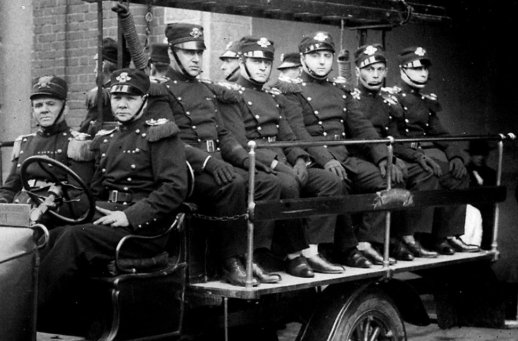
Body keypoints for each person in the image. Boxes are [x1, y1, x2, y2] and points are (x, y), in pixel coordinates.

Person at [36, 68, 188, 322]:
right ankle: (58, 319)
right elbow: (94, 191)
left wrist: (129, 216)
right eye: (117, 98)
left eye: (130, 98)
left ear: (144, 101)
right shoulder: (107, 138)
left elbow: (173, 188)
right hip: (109, 218)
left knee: (73, 238)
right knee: (51, 233)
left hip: (145, 229)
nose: (122, 104)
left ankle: (30, 316)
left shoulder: (160, 134)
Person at [154, 23, 287, 284]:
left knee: (268, 183)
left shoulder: (206, 90)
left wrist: (247, 160)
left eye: (199, 53)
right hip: (186, 168)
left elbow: (223, 134)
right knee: (232, 184)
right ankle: (229, 262)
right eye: (188, 53)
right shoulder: (161, 91)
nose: (195, 59)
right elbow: (171, 141)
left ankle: (251, 256)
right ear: (172, 54)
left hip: (215, 162)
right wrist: (207, 162)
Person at [218, 36, 353, 277]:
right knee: (287, 184)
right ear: (241, 61)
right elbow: (238, 143)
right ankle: (290, 256)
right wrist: (277, 164)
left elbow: (289, 137)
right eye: (256, 61)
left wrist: (300, 159)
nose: (262, 67)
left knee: (331, 182)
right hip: (257, 163)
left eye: (267, 63)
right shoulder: (231, 96)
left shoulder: (273, 96)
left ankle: (312, 250)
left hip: (283, 160)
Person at [279, 32, 394, 268]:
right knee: (335, 182)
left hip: (344, 156)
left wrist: (383, 156)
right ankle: (320, 249)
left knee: (384, 179)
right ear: (302, 59)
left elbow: (362, 126)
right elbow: (299, 132)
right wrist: (325, 159)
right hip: (313, 158)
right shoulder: (292, 90)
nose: (322, 62)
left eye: (326, 56)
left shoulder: (341, 90)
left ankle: (365, 243)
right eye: (315, 56)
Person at [349, 44, 439, 262]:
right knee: (390, 178)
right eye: (369, 69)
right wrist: (388, 159)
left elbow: (394, 139)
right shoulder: (350, 99)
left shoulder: (387, 102)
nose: (375, 75)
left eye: (380, 69)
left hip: (384, 156)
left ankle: (405, 236)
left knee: (425, 173)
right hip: (359, 157)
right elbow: (361, 136)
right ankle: (368, 241)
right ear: (358, 72)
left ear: (387, 72)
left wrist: (416, 156)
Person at [386, 46, 478, 255]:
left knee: (457, 176)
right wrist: (416, 156)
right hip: (400, 156)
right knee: (429, 174)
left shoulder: (426, 102)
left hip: (419, 158)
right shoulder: (391, 99)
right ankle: (411, 236)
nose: (423, 73)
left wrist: (455, 156)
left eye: (425, 69)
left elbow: (441, 134)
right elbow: (391, 138)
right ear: (402, 71)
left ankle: (445, 236)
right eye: (417, 69)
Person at [0, 75, 92, 216]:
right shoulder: (24, 143)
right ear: (33, 112)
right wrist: (1, 204)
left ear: (65, 108)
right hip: (21, 210)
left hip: (54, 215)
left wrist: (49, 211)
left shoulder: (76, 144)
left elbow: (78, 196)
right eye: (38, 105)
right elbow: (10, 187)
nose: (44, 110)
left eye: (51, 104)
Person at [466, 138, 497, 250]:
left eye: (483, 154)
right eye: (477, 153)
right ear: (471, 154)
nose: (480, 157)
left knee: (486, 245)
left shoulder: (492, 174)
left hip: (486, 217)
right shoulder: (464, 172)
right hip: (468, 218)